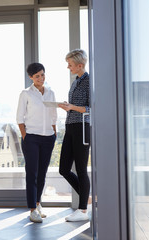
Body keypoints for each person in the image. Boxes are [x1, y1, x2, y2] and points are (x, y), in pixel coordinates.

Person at [16, 63, 57, 223]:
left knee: (42, 173)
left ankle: (38, 204)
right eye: (37, 76)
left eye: (42, 74)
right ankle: (32, 209)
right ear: (31, 78)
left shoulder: (51, 93)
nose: (41, 78)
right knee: (32, 173)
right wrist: (25, 136)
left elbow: (53, 115)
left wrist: (54, 133)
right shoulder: (25, 94)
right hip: (31, 137)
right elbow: (20, 117)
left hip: (48, 137)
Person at [58, 49, 91, 222]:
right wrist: (68, 106)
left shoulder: (88, 81)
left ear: (80, 65)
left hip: (82, 128)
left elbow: (91, 108)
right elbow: (75, 105)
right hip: (70, 126)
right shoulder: (76, 81)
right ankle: (88, 199)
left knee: (81, 169)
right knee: (63, 168)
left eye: (70, 64)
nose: (68, 67)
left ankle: (83, 210)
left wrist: (72, 107)